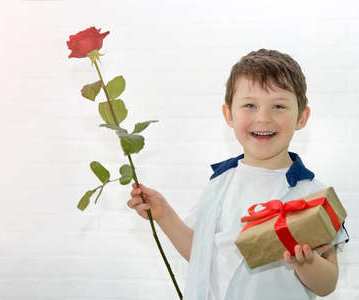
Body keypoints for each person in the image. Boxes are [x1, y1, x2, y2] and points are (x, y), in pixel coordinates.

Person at [126, 49, 349, 300]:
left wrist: (306, 263)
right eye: (250, 105)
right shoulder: (220, 183)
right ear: (228, 114)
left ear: (301, 117)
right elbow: (201, 257)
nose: (263, 118)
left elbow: (327, 284)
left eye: (278, 106)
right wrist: (164, 214)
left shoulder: (312, 196)